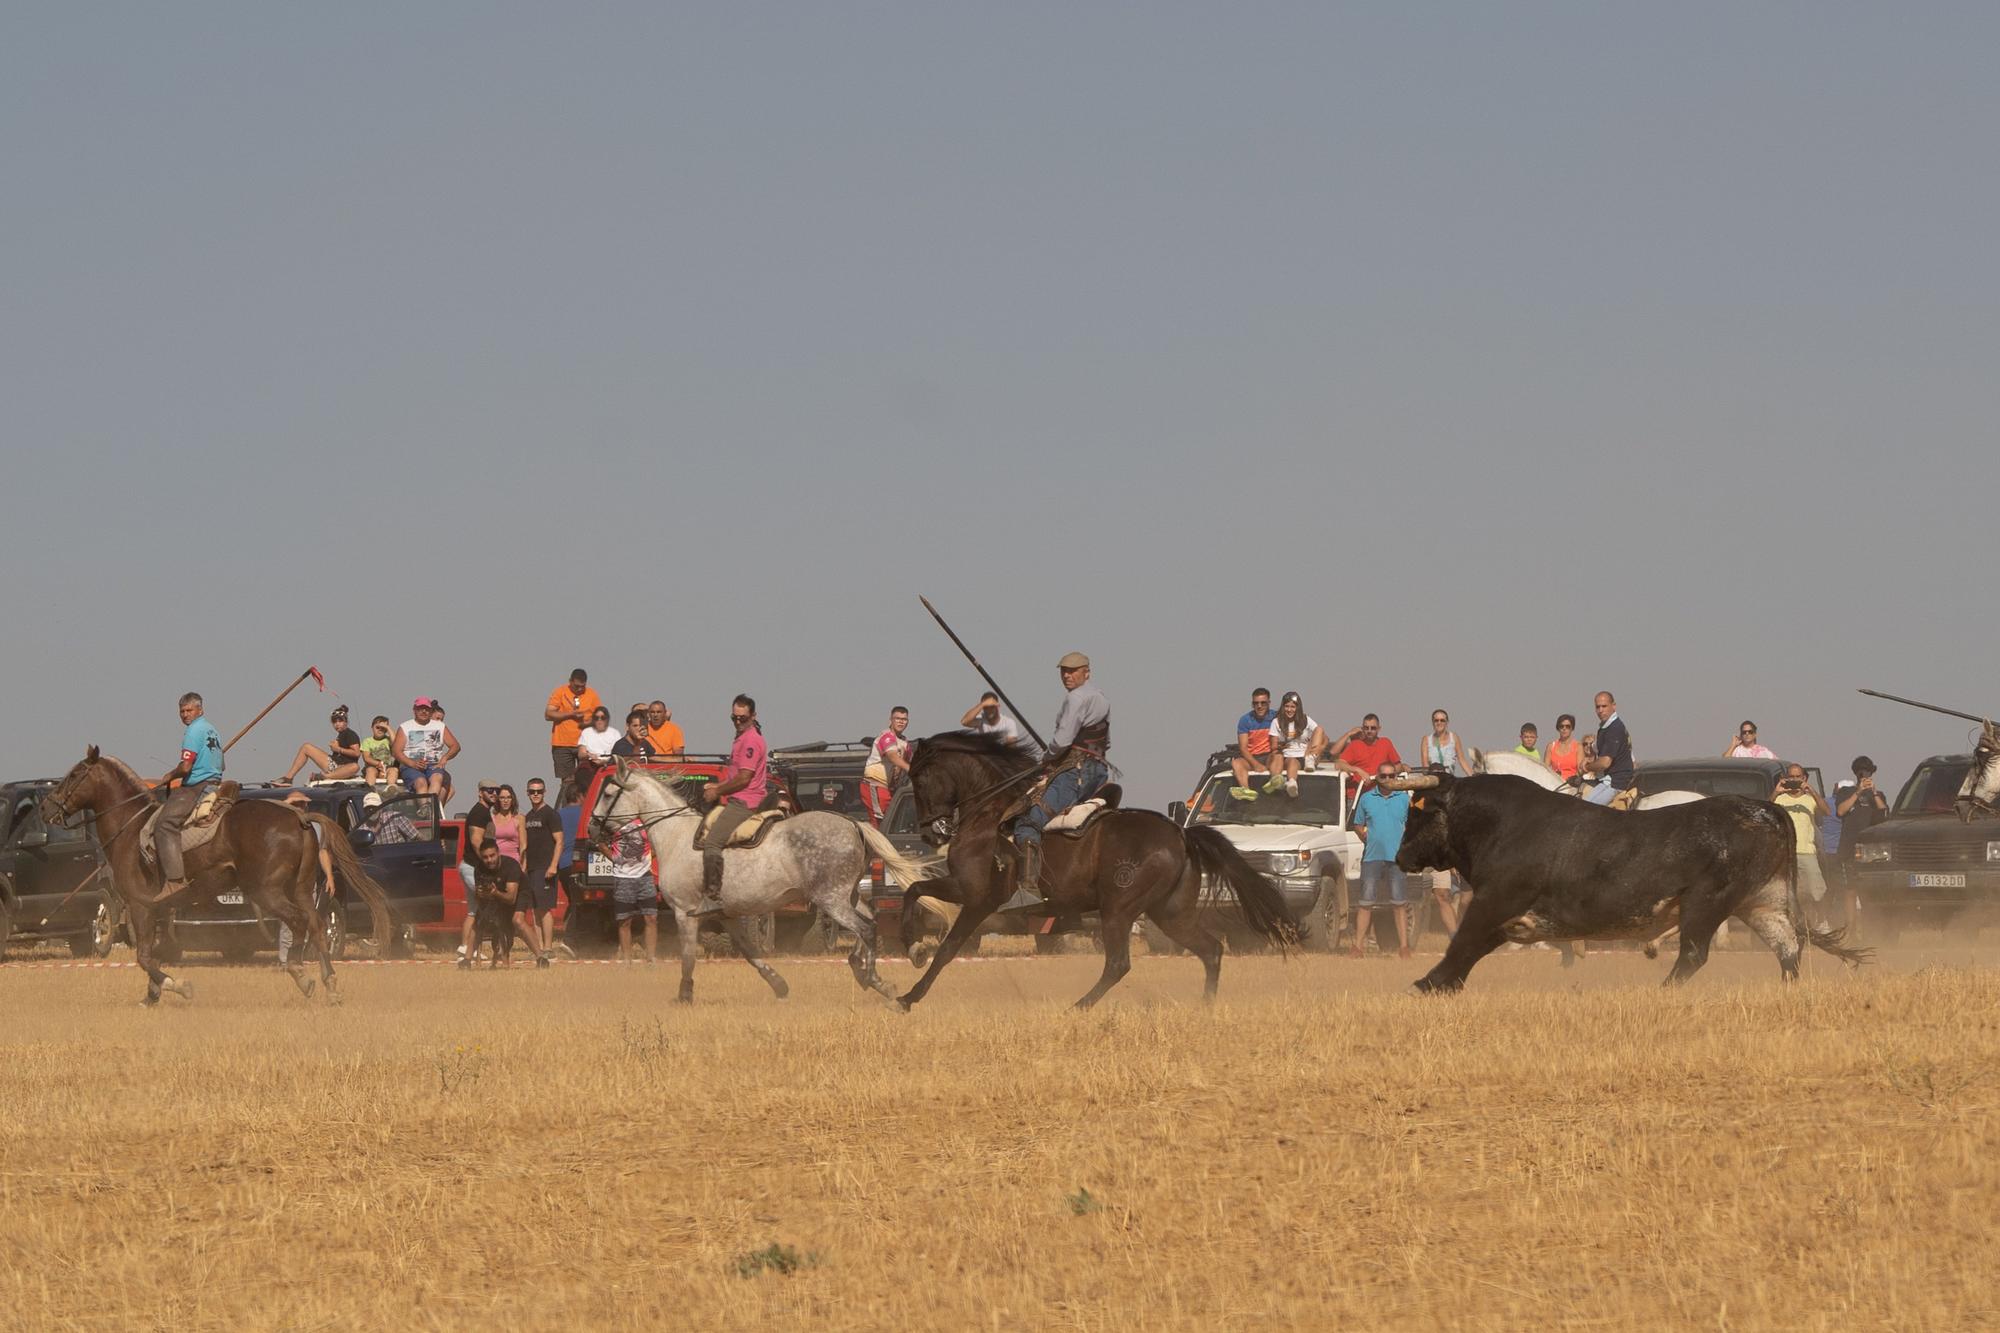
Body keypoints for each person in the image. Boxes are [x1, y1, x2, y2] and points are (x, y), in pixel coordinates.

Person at [1010, 652, 1110, 900]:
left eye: (1073, 670)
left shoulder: (1076, 698)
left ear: (1087, 671)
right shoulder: (1101, 697)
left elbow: (1062, 740)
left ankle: (1028, 890)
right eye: (1063, 671)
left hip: (1074, 772)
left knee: (1028, 823)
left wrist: (1047, 757)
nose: (1067, 675)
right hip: (1098, 771)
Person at [697, 695, 770, 913]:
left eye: (742, 718)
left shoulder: (750, 740)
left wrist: (716, 791)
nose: (738, 722)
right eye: (734, 718)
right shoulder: (742, 737)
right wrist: (716, 785)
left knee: (711, 844)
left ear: (753, 716)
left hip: (745, 802)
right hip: (739, 798)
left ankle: (713, 897)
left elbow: (744, 778)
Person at [153, 691, 226, 900]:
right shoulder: (212, 730)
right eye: (182, 711)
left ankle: (175, 880)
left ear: (199, 709)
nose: (185, 714)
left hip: (197, 787)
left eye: (189, 710)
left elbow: (185, 767)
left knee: (164, 824)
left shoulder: (194, 731)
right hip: (215, 782)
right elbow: (222, 764)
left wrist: (169, 775)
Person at [1350, 763, 1413, 960]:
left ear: (1395, 777)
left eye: (1390, 776)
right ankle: (1358, 947)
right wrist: (1368, 840)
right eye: (1383, 776)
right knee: (1365, 902)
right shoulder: (1367, 798)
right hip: (1372, 857)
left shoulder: (1404, 799)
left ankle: (1404, 947)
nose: (1387, 779)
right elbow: (1357, 825)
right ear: (1377, 777)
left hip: (1397, 858)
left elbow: (1413, 826)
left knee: (1399, 903)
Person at [277, 790, 335, 967]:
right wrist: (288, 802)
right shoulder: (280, 825)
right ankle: (285, 961)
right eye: (296, 804)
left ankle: (296, 959)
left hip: (308, 883)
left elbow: (322, 852)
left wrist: (330, 876)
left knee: (308, 921)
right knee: (289, 922)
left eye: (302, 804)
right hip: (286, 882)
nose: (300, 807)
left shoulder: (315, 828)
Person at [1772, 764, 1832, 923]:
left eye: (1798, 777)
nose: (1795, 780)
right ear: (1786, 778)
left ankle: (1823, 922)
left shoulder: (1810, 799)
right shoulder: (1780, 799)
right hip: (1786, 854)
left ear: (1804, 778)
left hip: (1808, 852)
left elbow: (1827, 811)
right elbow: (1766, 811)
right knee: (1787, 892)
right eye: (1791, 776)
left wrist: (1811, 790)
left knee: (1817, 891)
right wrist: (1775, 792)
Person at [1834, 756, 1887, 930]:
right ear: (1856, 774)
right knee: (1850, 891)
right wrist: (1858, 792)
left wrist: (1873, 792)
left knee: (1870, 893)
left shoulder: (1878, 795)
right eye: (1862, 772)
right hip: (1849, 848)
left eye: (1869, 772)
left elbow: (1884, 814)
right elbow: (1841, 811)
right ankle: (1850, 930)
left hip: (1872, 850)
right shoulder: (1846, 792)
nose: (1866, 775)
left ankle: (1870, 930)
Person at [520, 779, 563, 966]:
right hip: (531, 868)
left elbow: (559, 841)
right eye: (532, 791)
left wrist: (553, 865)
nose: (535, 794)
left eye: (538, 791)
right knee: (535, 908)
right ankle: (538, 948)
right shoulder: (528, 816)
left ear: (544, 792)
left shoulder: (551, 814)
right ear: (527, 793)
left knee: (545, 908)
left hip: (546, 867)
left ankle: (548, 948)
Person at [605, 813, 658, 961]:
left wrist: (648, 858)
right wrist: (614, 858)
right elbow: (599, 841)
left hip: (645, 877)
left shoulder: (646, 820)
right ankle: (627, 960)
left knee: (651, 918)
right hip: (623, 879)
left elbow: (657, 842)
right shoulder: (613, 821)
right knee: (625, 921)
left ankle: (651, 959)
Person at [456, 781, 498, 969]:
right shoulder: (479, 812)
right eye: (490, 791)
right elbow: (476, 841)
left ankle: (465, 949)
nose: (494, 794)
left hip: (470, 865)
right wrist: (487, 864)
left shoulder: (483, 812)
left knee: (473, 911)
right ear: (480, 793)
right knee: (488, 902)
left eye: (496, 791)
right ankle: (471, 950)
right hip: (473, 867)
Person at [545, 670, 603, 804]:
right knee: (567, 781)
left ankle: (588, 807)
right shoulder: (560, 692)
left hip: (585, 744)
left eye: (582, 686)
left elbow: (600, 718)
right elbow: (548, 714)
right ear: (570, 681)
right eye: (576, 686)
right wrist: (569, 715)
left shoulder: (592, 694)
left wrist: (588, 722)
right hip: (562, 743)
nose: (579, 689)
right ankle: (564, 810)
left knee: (587, 777)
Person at [468, 838, 525, 966]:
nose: (489, 860)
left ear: (498, 853)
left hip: (505, 902)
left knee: (505, 932)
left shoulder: (510, 865)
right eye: (485, 857)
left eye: (492, 855)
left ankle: (502, 959)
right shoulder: (479, 869)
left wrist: (495, 893)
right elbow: (477, 894)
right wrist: (480, 893)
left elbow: (511, 897)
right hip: (488, 905)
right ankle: (468, 959)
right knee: (477, 925)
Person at [277, 706, 362, 785]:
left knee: (355, 767)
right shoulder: (341, 735)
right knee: (306, 747)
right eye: (334, 722)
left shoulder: (350, 734)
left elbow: (357, 753)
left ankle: (324, 776)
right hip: (334, 764)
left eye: (340, 721)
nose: (337, 724)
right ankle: (288, 778)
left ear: (346, 722)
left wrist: (338, 749)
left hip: (345, 768)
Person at [1262, 692, 1326, 798]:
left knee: (1319, 729)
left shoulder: (1305, 719)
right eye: (1286, 706)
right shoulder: (1276, 722)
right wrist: (1280, 746)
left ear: (1298, 707)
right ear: (1283, 707)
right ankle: (1291, 782)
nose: (1289, 709)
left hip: (1305, 755)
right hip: (1288, 755)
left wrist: (1319, 748)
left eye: (1292, 706)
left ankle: (1311, 758)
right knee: (1292, 761)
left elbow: (1322, 736)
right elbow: (1273, 746)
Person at [392, 698, 457, 798]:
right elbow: (396, 751)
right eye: (420, 708)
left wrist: (445, 758)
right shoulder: (405, 727)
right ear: (414, 710)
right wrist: (412, 763)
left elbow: (455, 746)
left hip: (434, 764)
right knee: (421, 783)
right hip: (411, 765)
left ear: (431, 711)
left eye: (426, 709)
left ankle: (429, 809)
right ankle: (426, 808)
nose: (423, 711)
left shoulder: (440, 726)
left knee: (437, 779)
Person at [860, 707, 913, 826]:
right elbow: (893, 757)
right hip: (875, 785)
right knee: (880, 822)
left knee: (890, 822)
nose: (901, 722)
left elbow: (911, 760)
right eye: (897, 718)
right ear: (891, 720)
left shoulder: (904, 742)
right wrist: (912, 770)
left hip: (889, 788)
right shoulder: (886, 737)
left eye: (904, 719)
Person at [1331, 714, 1403, 799]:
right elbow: (1338, 764)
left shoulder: (1385, 743)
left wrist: (1383, 776)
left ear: (1379, 729)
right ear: (1362, 729)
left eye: (1373, 728)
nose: (1369, 731)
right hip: (1356, 797)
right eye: (1366, 728)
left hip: (1380, 795)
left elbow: (1398, 766)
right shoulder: (1355, 745)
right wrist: (1358, 770)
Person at [1582, 692, 1634, 806]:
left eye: (1604, 706)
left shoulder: (1614, 729)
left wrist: (1586, 767)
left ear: (1613, 706)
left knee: (1585, 809)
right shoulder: (1605, 727)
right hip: (1610, 779)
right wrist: (1589, 753)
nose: (1600, 710)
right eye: (1597, 707)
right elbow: (1596, 746)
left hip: (1616, 782)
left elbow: (1605, 763)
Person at [1228, 688, 1276, 800]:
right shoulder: (1245, 720)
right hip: (1251, 758)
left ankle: (1275, 782)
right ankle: (1246, 791)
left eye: (1263, 703)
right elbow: (1243, 748)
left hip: (1270, 756)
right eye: (1256, 703)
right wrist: (1256, 765)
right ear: (1252, 704)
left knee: (1277, 757)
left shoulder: (1276, 717)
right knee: (1236, 763)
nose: (1259, 706)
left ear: (1269, 703)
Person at [574, 707, 619, 795]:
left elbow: (618, 754)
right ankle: (588, 797)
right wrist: (589, 755)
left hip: (609, 763)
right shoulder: (586, 732)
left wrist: (604, 762)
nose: (599, 720)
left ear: (607, 719)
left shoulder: (614, 733)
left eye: (602, 718)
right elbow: (581, 753)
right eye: (596, 718)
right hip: (591, 763)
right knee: (582, 772)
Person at [1415, 709, 1471, 777]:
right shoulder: (1426, 740)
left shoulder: (1454, 738)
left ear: (1447, 722)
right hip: (1434, 779)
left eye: (1442, 720)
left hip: (1449, 779)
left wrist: (1473, 777)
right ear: (1433, 723)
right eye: (1436, 720)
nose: (1439, 723)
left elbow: (1462, 760)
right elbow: (1425, 765)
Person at [1545, 714, 1584, 783]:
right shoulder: (1551, 746)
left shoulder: (1578, 747)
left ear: (1572, 728)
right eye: (1561, 726)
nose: (1564, 728)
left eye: (1568, 726)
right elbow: (1545, 769)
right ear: (1558, 728)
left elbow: (1580, 771)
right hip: (1554, 784)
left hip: (1572, 786)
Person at [358, 716, 395, 787]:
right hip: (373, 767)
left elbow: (396, 742)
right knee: (370, 770)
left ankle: (391, 788)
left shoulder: (388, 740)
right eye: (377, 727)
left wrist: (388, 727)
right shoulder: (367, 741)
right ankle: (370, 790)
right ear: (372, 727)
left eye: (383, 728)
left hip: (387, 768)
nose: (380, 730)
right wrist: (379, 764)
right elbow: (366, 758)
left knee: (394, 770)